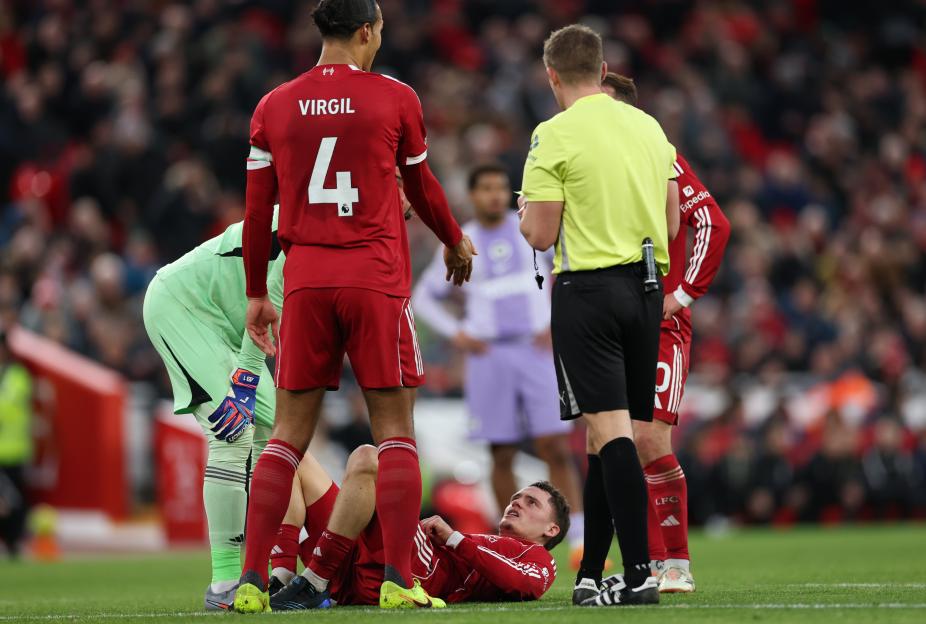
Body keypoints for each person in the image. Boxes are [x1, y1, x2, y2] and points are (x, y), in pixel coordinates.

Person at [236, 0, 475, 613]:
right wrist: (453, 239)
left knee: (286, 437)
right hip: (374, 279)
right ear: (367, 31)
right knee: (395, 433)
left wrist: (257, 292)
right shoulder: (394, 97)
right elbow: (421, 187)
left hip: (307, 279)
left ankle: (250, 583)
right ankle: (398, 579)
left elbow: (257, 213)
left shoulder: (274, 105)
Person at [518, 25, 679, 607]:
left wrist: (522, 215)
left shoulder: (552, 133)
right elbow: (674, 223)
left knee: (610, 433)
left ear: (552, 75)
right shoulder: (649, 126)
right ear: (604, 67)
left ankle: (638, 577)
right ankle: (591, 577)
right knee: (603, 437)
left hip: (589, 291)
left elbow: (540, 232)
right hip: (647, 289)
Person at [143, 206, 330, 610]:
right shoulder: (306, 222)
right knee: (232, 429)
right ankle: (225, 581)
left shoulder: (337, 217)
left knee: (279, 441)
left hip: (234, 329)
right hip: (183, 307)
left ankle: (273, 571)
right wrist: (244, 381)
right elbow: (270, 304)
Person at [413, 163, 584, 553]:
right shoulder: (461, 239)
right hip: (489, 354)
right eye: (485, 188)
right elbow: (424, 297)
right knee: (500, 450)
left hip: (536, 348)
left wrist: (557, 317)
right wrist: (458, 334)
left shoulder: (531, 227)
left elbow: (568, 264)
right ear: (472, 196)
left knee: (555, 445)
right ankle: (513, 542)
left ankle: (578, 537)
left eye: (500, 187)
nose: (494, 195)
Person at [602, 72, 730, 593]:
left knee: (649, 436)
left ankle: (676, 561)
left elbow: (714, 223)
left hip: (658, 320)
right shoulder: (587, 158)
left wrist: (681, 295)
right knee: (611, 442)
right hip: (604, 318)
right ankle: (647, 564)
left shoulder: (660, 153)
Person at [267, 445, 568, 610]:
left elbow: (523, 584)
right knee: (293, 457)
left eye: (532, 503)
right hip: (351, 565)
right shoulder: (484, 536)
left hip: (407, 573)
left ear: (552, 530)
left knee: (369, 457)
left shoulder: (539, 558)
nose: (516, 503)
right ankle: (284, 576)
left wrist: (454, 540)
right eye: (516, 498)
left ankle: (314, 580)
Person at [0, 330, 33, 559]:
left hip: (13, 451)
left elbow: (8, 408)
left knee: (13, 502)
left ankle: (14, 544)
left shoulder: (17, 375)